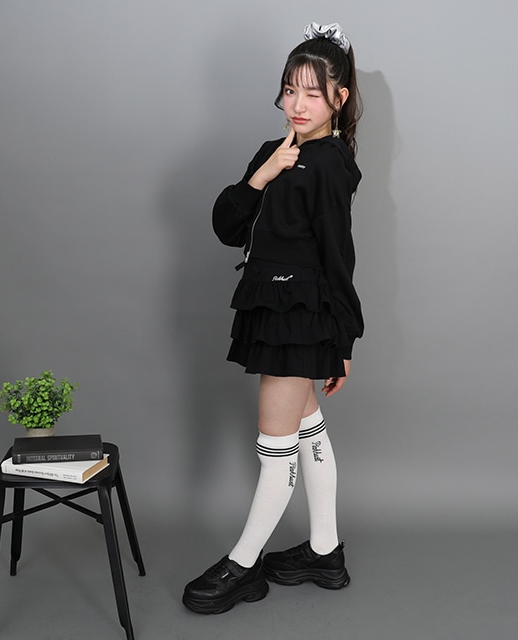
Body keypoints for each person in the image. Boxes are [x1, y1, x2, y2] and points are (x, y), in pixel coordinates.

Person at [182, 22, 364, 615]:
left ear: (339, 98)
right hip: (270, 308)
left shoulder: (331, 164)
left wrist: (343, 340)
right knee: (307, 430)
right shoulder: (275, 151)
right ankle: (325, 552)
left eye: (313, 92)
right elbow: (226, 226)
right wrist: (263, 173)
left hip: (299, 316)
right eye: (290, 90)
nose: (298, 104)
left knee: (275, 447)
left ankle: (242, 565)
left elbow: (338, 256)